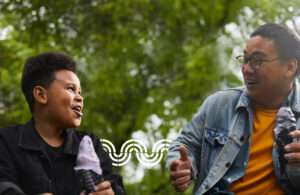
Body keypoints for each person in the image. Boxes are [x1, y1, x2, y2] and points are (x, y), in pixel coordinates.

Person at [167, 23, 300, 195]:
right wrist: (183, 166)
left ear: (290, 67)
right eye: (245, 59)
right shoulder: (218, 105)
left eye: (257, 61)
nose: (246, 69)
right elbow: (185, 144)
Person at [0, 52, 125, 195]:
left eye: (80, 92)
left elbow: (114, 184)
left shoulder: (91, 143)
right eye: (71, 89)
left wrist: (112, 191)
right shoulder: (5, 142)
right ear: (41, 95)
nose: (80, 98)